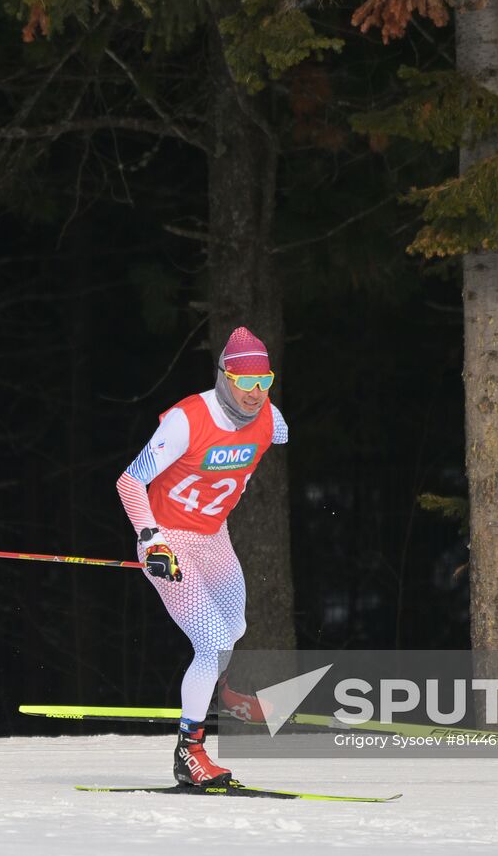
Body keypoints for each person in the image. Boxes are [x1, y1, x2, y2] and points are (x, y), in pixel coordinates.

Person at [115, 326, 289, 786]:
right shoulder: (187, 421)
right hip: (168, 540)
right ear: (224, 377)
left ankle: (223, 693)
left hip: (214, 538)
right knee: (211, 642)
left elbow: (276, 432)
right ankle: (189, 754)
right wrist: (151, 540)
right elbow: (129, 481)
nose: (255, 394)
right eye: (245, 383)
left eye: (264, 382)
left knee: (234, 629)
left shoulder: (270, 419)